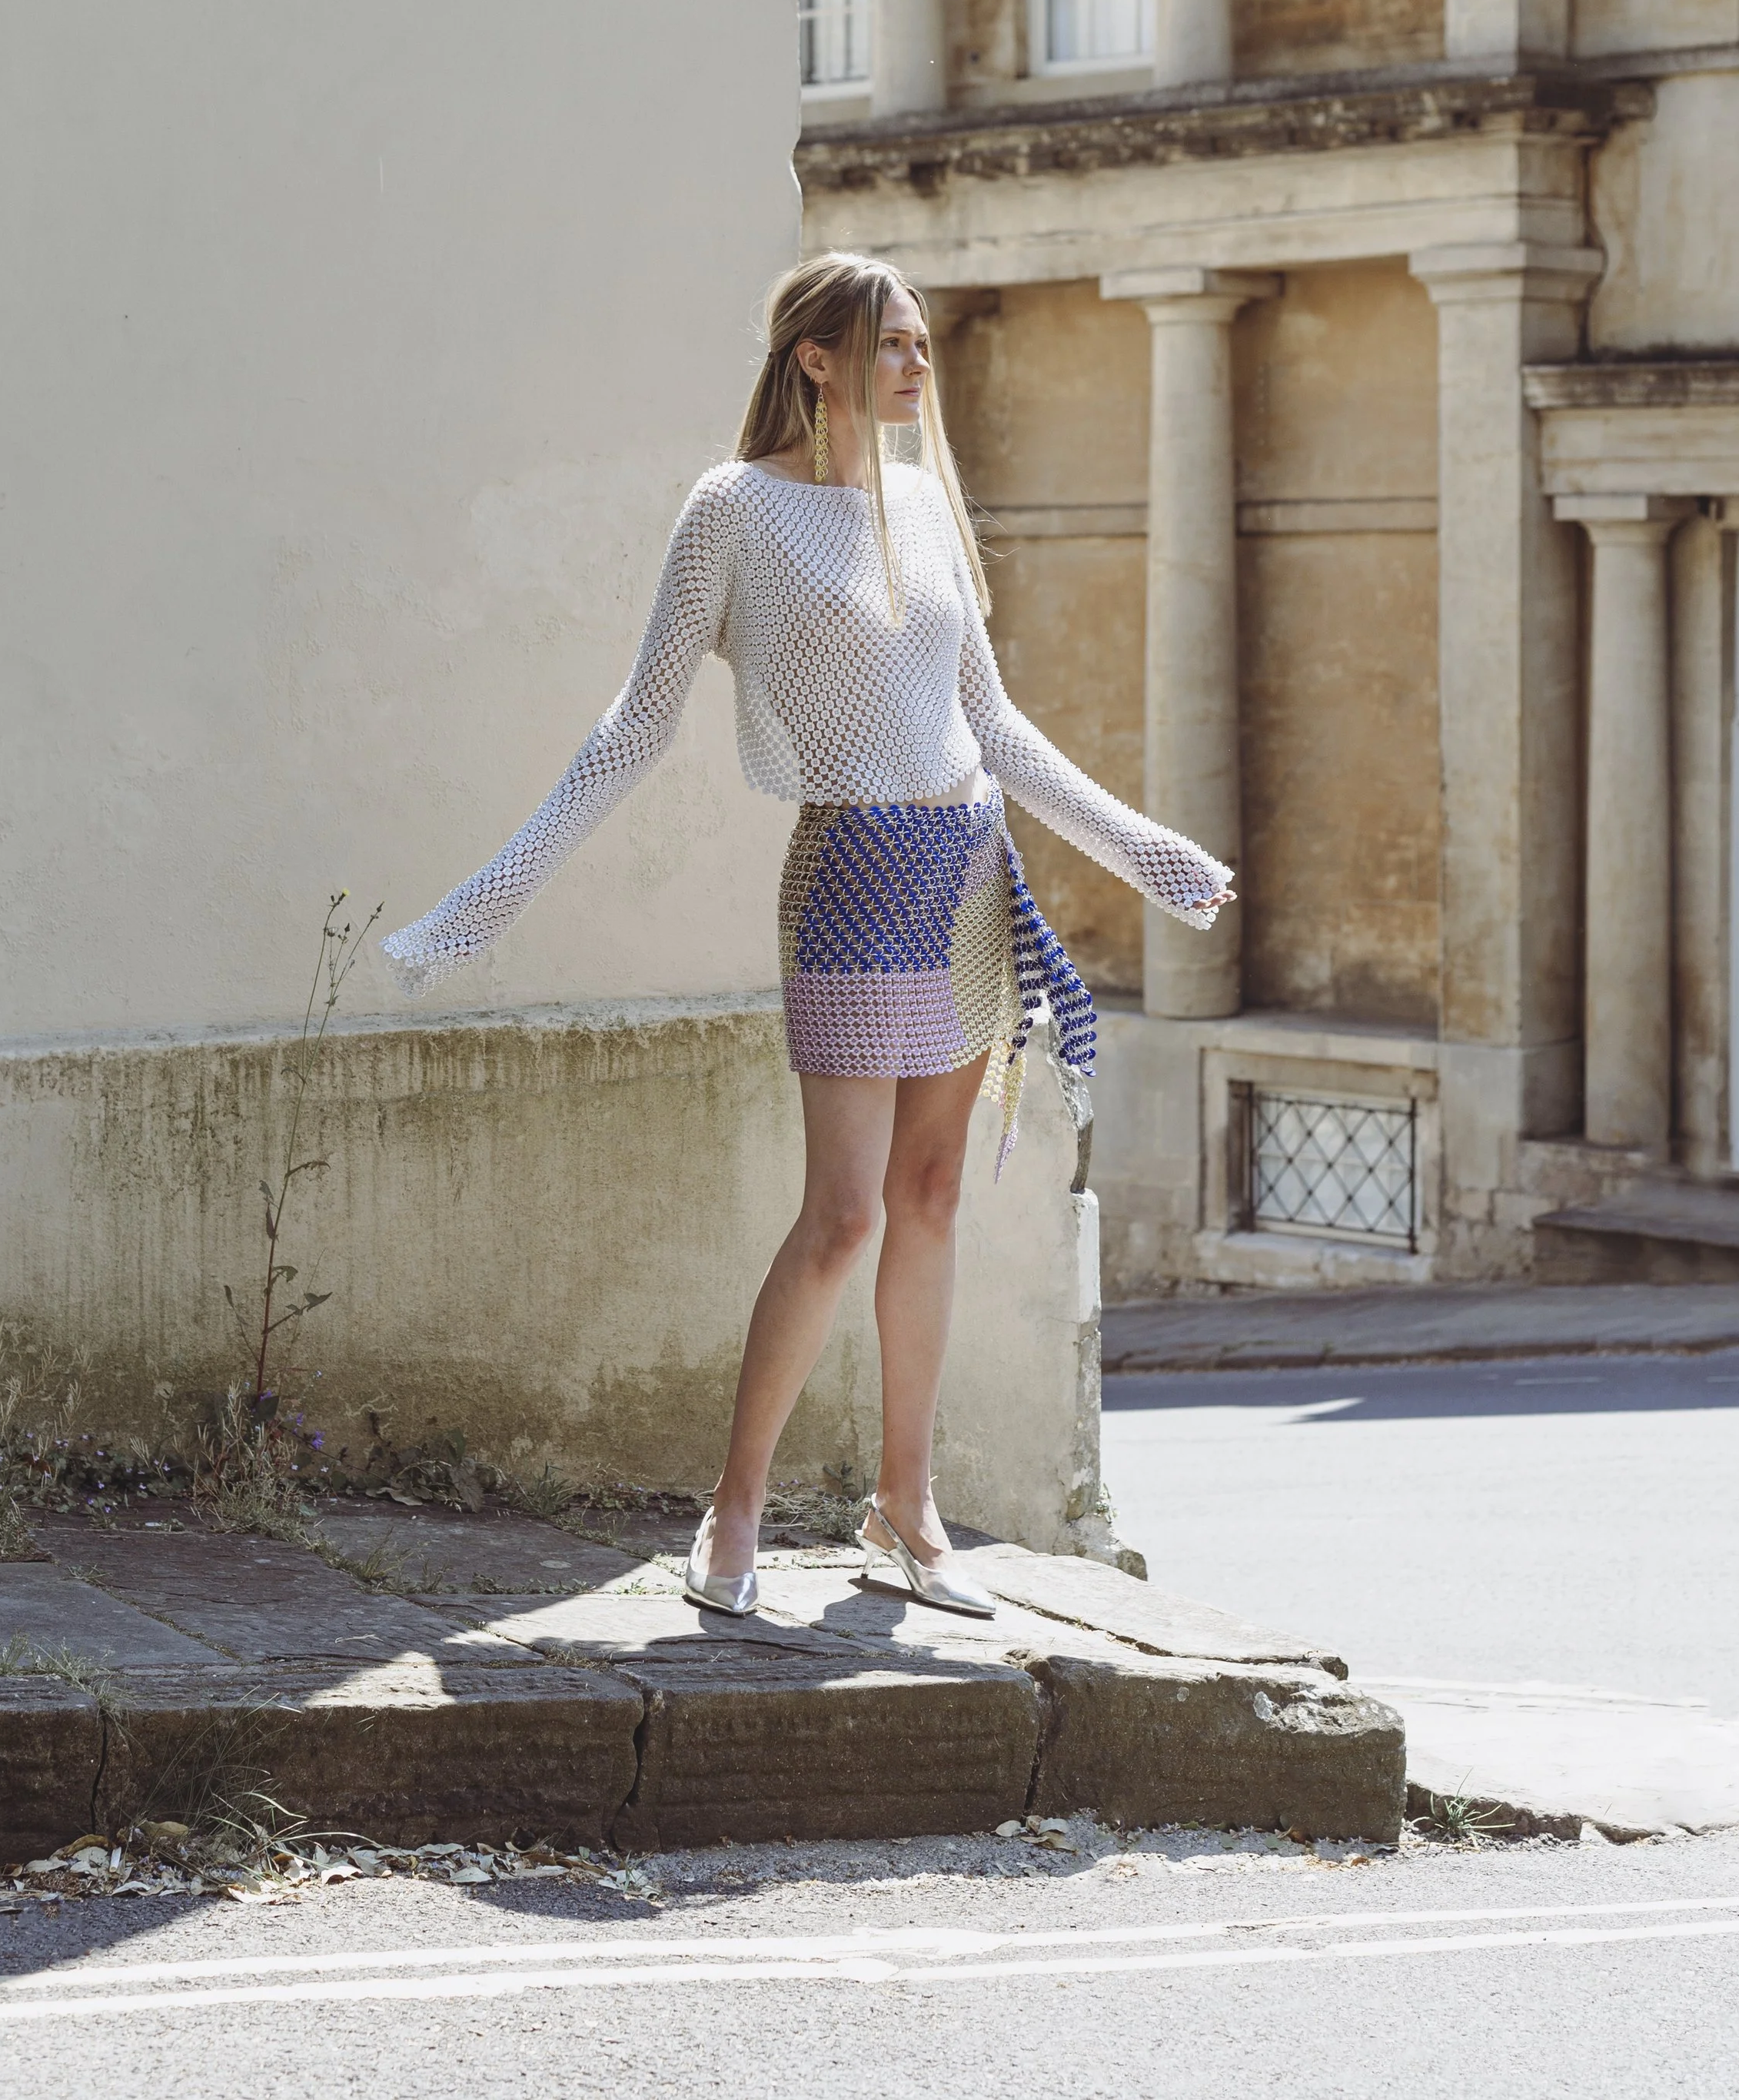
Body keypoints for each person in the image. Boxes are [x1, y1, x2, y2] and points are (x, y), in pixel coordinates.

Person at [381, 251, 1233, 1620]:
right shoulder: (734, 511)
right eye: (886, 343)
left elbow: (993, 726)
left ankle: (909, 1506)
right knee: (840, 1216)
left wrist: (1147, 852)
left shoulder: (922, 506)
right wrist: (485, 899)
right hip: (845, 870)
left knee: (934, 1197)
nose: (914, 364)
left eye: (921, 345)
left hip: (965, 872)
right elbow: (636, 727)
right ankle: (736, 1507)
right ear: (814, 359)